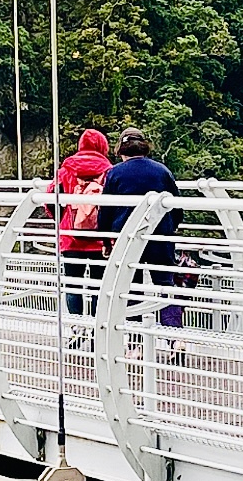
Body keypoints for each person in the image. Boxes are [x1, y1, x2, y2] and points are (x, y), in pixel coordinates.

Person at [100, 131, 186, 339]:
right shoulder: (161, 171)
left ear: (121, 150)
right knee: (165, 283)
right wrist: (169, 227)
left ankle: (136, 342)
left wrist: (106, 240)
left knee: (131, 286)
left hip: (128, 237)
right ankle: (175, 337)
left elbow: (105, 210)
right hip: (160, 235)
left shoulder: (114, 173)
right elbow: (177, 206)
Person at [52, 127, 112, 320]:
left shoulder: (65, 171)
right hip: (100, 240)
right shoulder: (109, 171)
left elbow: (50, 198)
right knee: (98, 286)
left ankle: (77, 327)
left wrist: (63, 220)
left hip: (71, 238)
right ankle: (96, 328)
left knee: (72, 285)